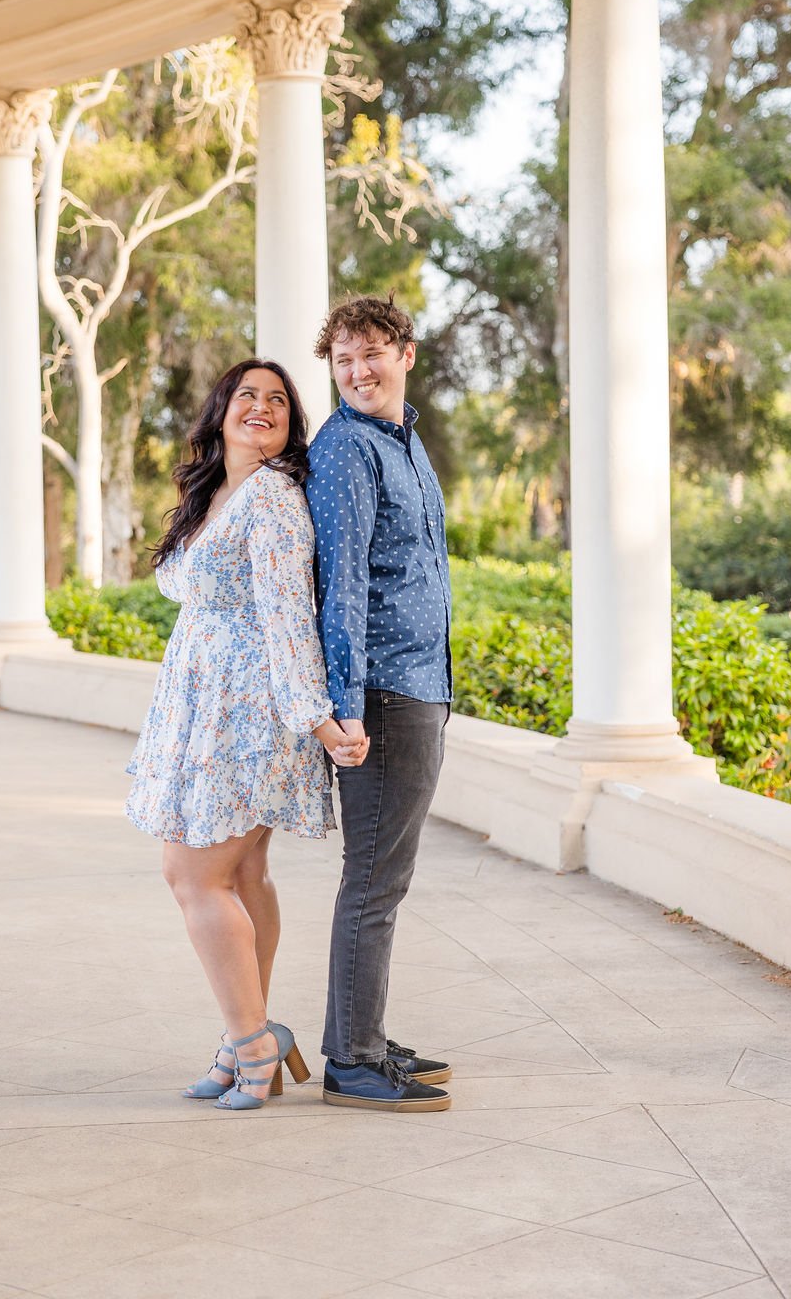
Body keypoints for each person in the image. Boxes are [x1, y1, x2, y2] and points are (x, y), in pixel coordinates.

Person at [125, 358, 367, 1112]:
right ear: (221, 410)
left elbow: (288, 620)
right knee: (240, 877)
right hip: (203, 710)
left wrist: (320, 723)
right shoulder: (213, 493)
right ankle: (245, 1037)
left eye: (278, 402)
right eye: (247, 395)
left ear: (291, 425)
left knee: (192, 876)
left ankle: (255, 1042)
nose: (261, 407)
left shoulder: (271, 502)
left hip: (251, 715)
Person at [306, 294, 453, 1112]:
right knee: (373, 880)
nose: (358, 371)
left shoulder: (402, 440)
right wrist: (347, 703)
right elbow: (344, 585)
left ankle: (362, 1038)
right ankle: (353, 1062)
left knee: (384, 878)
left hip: (418, 683)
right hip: (385, 695)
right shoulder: (347, 450)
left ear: (406, 353)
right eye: (342, 359)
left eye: (372, 354)